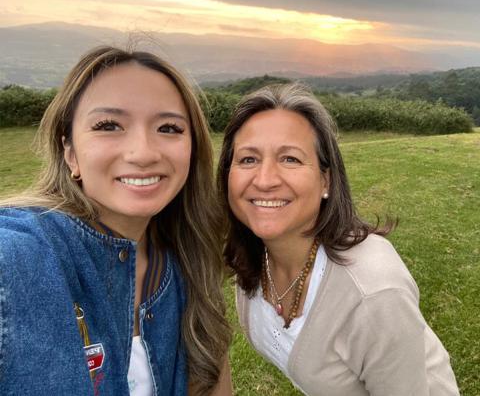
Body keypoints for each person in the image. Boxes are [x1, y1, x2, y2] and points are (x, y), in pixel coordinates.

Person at [0, 46, 231, 396]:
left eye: (168, 128)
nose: (143, 153)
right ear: (70, 152)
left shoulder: (188, 264)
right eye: (109, 125)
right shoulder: (20, 256)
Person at [217, 83, 459, 396]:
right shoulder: (251, 253)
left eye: (290, 159)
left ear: (325, 181)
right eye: (248, 159)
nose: (264, 180)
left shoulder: (374, 293)